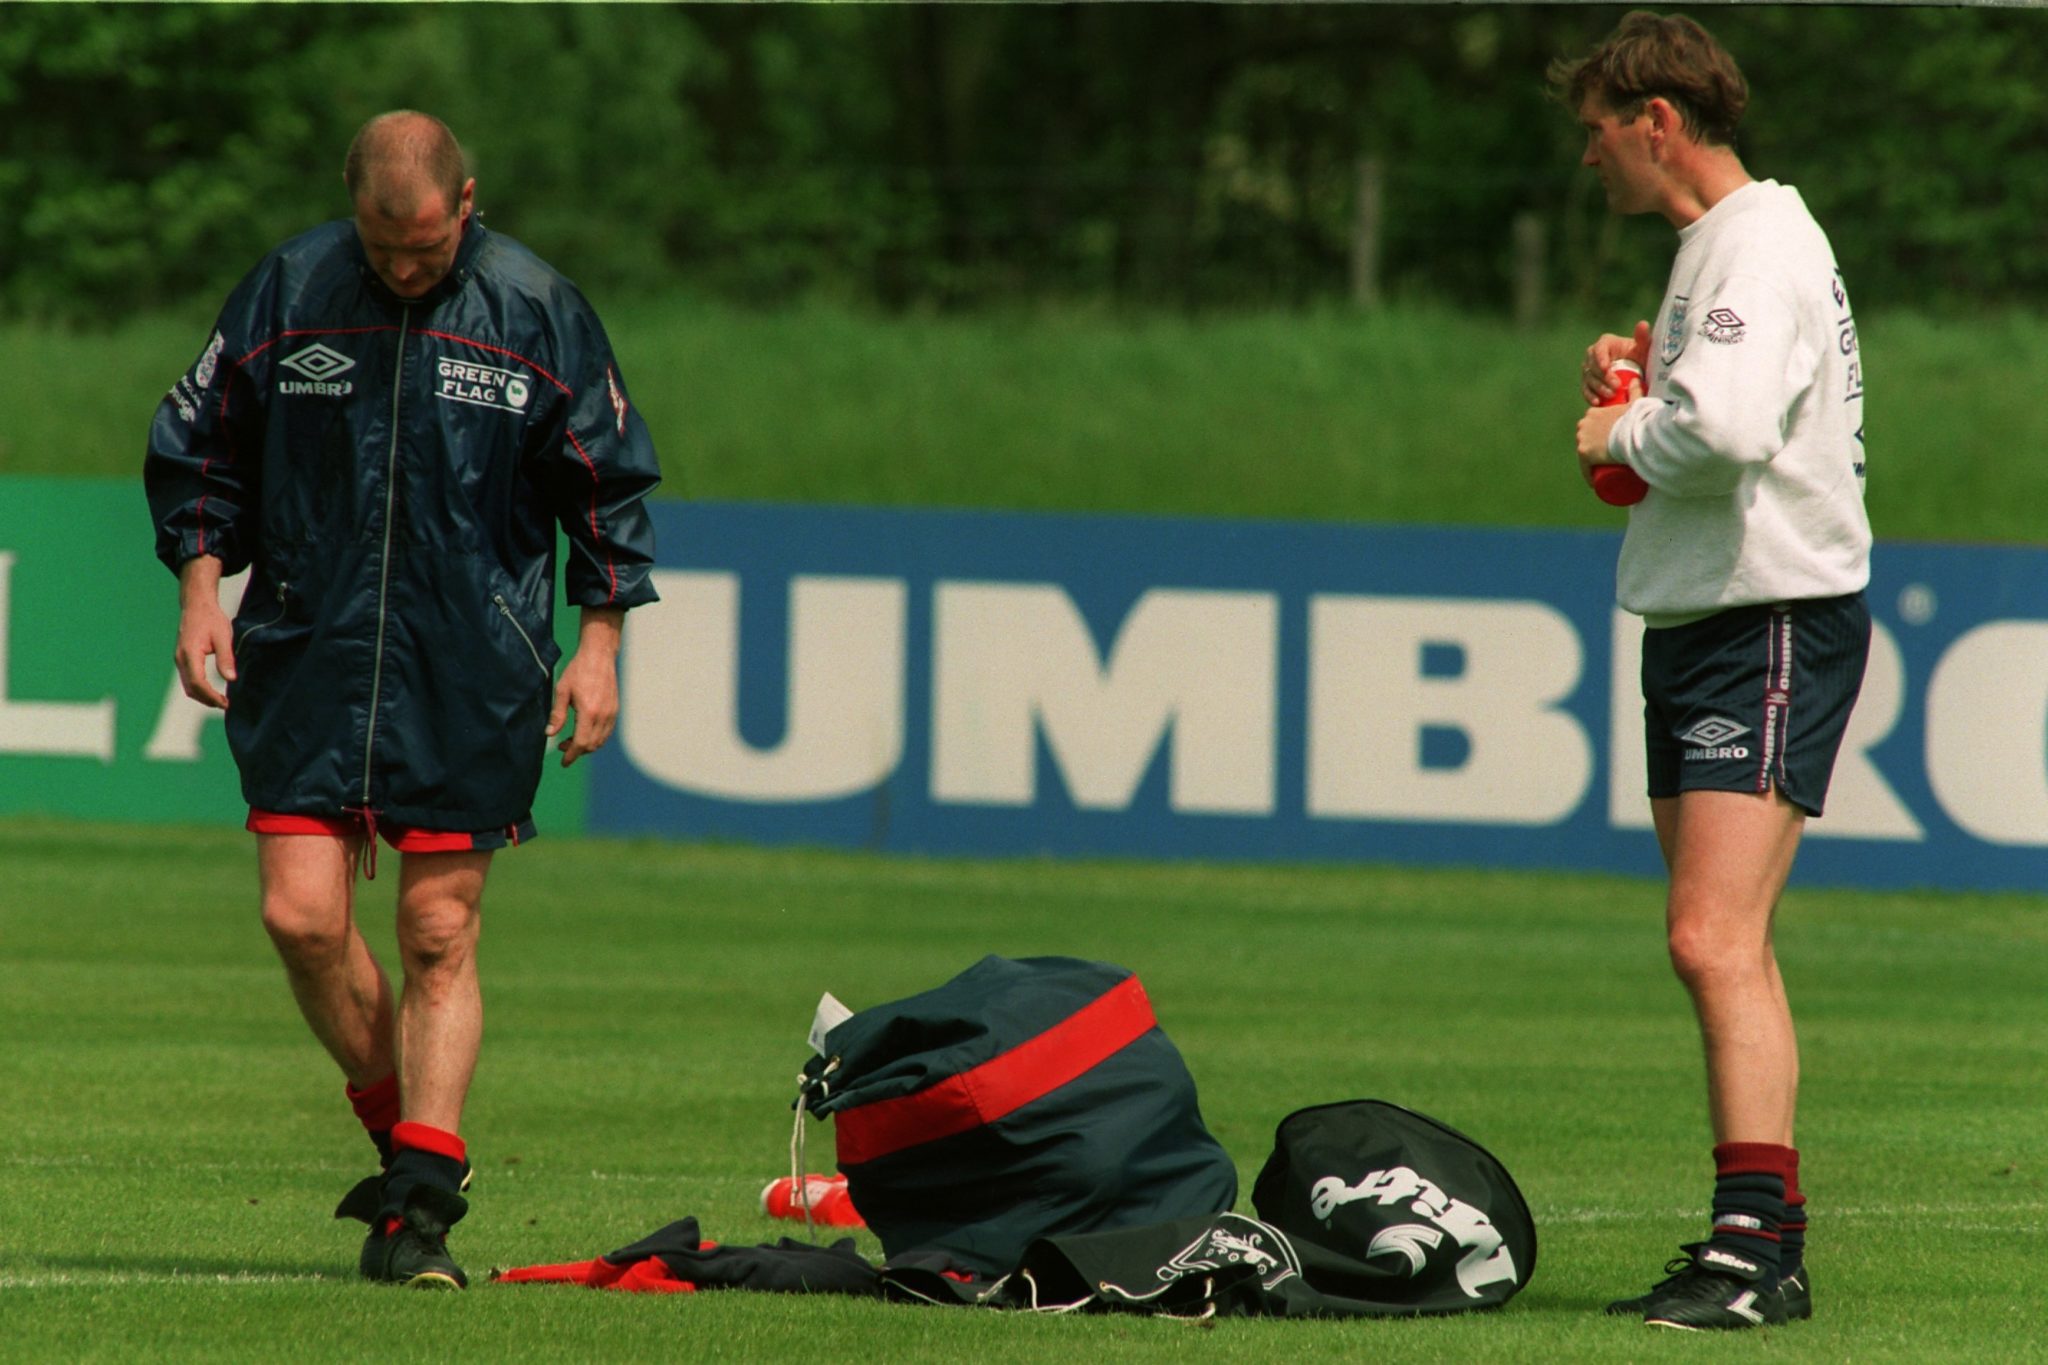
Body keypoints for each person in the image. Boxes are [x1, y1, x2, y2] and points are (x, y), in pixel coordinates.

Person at [145, 111, 661, 1289]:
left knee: (437, 931)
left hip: (468, 666)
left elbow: (605, 486)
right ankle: (404, 1145)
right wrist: (199, 588)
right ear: (355, 210)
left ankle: (420, 1207)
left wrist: (599, 646)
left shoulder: (536, 307)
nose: (406, 270)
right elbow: (201, 447)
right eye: (386, 252)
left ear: (465, 202)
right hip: (307, 649)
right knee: (301, 919)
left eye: (426, 250)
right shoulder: (288, 287)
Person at [1550, 13, 1871, 1332]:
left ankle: (1753, 1258)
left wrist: (1618, 420)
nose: (1592, 164)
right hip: (1709, 619)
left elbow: (1728, 428)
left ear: (1655, 119)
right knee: (1720, 945)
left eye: (1596, 135)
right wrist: (1645, 388)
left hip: (1769, 618)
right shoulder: (1721, 247)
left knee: (1710, 937)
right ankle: (1758, 1244)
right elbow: (1712, 416)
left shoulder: (1754, 240)